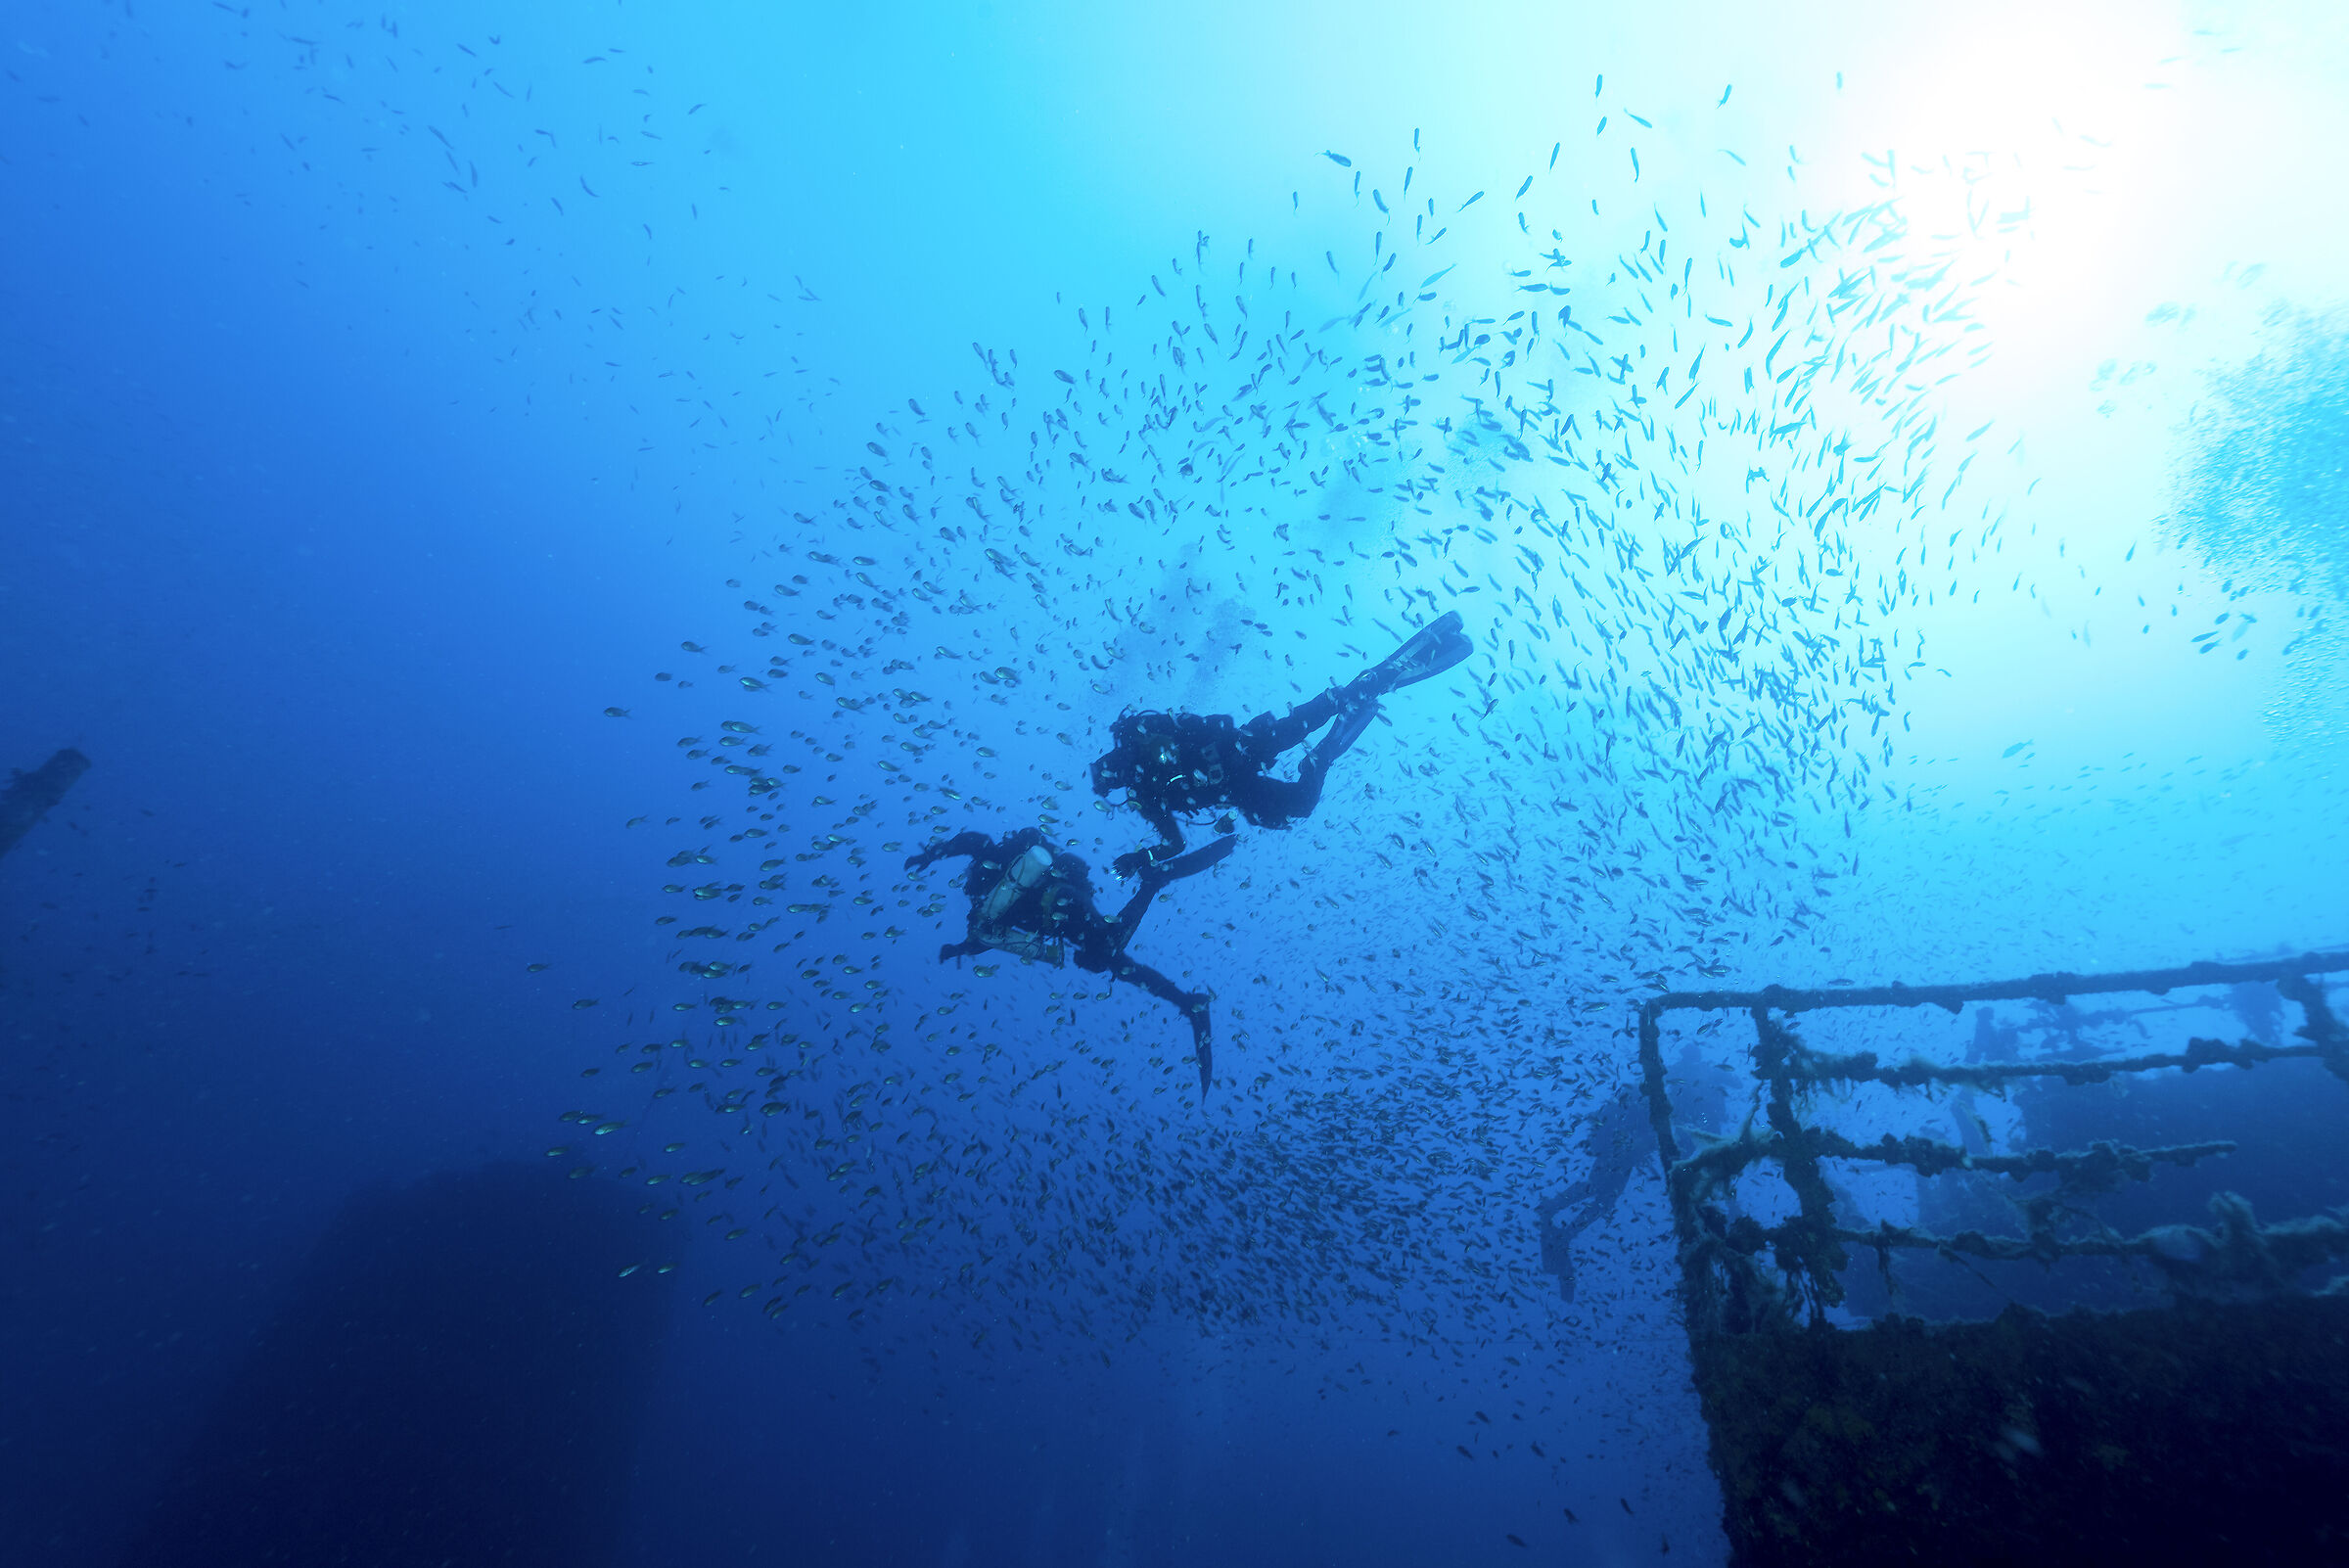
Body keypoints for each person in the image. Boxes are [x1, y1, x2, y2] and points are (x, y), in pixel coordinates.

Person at [1089, 612, 1472, 877]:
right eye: (1116, 778)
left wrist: (1143, 857)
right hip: (1239, 777)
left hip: (1239, 750)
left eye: (1114, 772)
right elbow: (1173, 845)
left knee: (1319, 714)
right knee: (1303, 790)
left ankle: (1364, 689)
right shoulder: (1146, 793)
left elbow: (1191, 730)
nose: (1120, 774)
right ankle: (1330, 741)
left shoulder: (1141, 748)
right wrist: (1142, 857)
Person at [904, 828, 1233, 1097]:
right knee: (1104, 959)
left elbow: (974, 841)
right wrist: (959, 949)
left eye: (970, 879)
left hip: (1062, 900)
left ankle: (1153, 882)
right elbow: (989, 940)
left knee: (1106, 950)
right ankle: (1187, 1002)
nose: (968, 884)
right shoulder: (992, 902)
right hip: (1059, 916)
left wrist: (931, 854)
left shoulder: (998, 863)